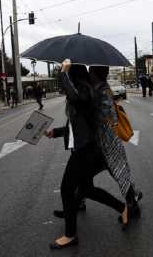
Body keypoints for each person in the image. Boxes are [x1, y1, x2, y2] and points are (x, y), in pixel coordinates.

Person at [45, 61, 128, 249]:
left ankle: (70, 234)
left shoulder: (84, 92)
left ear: (73, 76)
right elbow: (76, 124)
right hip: (83, 148)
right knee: (87, 189)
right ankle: (123, 208)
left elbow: (74, 97)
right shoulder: (81, 93)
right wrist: (56, 132)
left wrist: (63, 73)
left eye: (68, 76)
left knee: (67, 189)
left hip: (86, 150)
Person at [89, 65, 142, 225]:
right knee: (119, 173)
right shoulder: (99, 88)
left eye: (91, 71)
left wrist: (93, 112)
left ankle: (132, 207)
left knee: (118, 173)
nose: (89, 73)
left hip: (108, 141)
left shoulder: (102, 90)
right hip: (105, 141)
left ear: (96, 74)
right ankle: (133, 202)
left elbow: (108, 114)